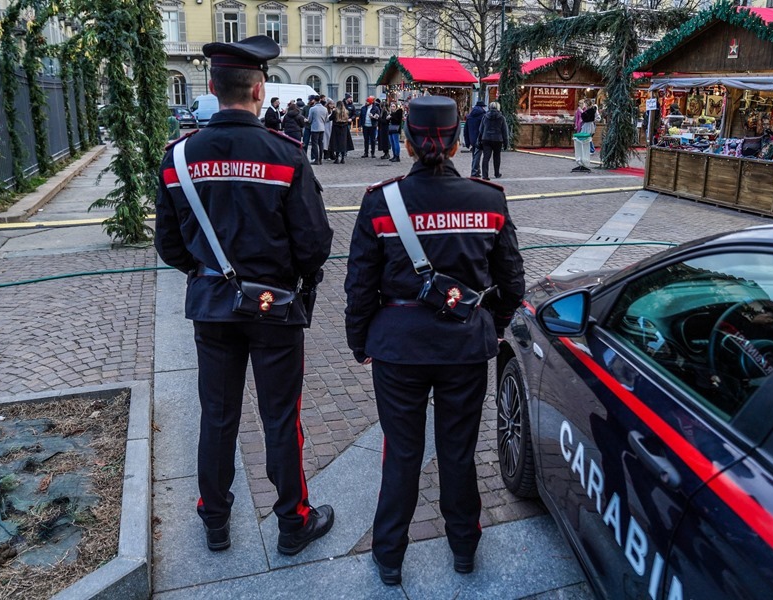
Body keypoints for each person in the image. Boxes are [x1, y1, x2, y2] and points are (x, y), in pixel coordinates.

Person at [154, 35, 335, 556]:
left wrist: (210, 273)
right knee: (281, 418)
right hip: (275, 308)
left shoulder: (179, 157)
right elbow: (315, 243)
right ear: (259, 90)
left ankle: (214, 519)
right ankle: (292, 521)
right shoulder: (285, 155)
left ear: (212, 88)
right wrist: (287, 278)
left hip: (211, 307)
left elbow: (170, 245)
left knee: (217, 415)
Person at [344, 96, 525, 586]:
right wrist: (492, 322)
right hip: (464, 347)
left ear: (405, 139)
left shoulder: (381, 201)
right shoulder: (489, 200)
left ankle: (389, 556)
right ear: (458, 138)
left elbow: (360, 284)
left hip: (398, 348)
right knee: (458, 450)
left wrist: (360, 341)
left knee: (402, 452)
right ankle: (464, 546)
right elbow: (511, 281)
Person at [477, 101, 509, 181]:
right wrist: (506, 143)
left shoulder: (485, 116)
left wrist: (479, 139)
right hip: (498, 139)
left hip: (486, 139)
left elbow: (481, 129)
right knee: (497, 156)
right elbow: (505, 131)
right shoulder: (501, 117)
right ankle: (497, 173)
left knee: (486, 157)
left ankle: (485, 175)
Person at [463, 100, 486, 178]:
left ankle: (477, 171)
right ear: (482, 107)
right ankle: (474, 171)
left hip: (471, 139)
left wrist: (467, 142)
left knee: (475, 155)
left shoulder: (469, 116)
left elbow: (465, 130)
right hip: (479, 138)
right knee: (477, 156)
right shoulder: (483, 116)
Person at [308, 94, 328, 165]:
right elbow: (326, 119)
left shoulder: (312, 109)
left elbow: (309, 120)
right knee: (321, 143)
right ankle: (320, 159)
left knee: (314, 144)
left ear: (314, 100)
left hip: (315, 128)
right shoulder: (325, 109)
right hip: (322, 127)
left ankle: (316, 159)